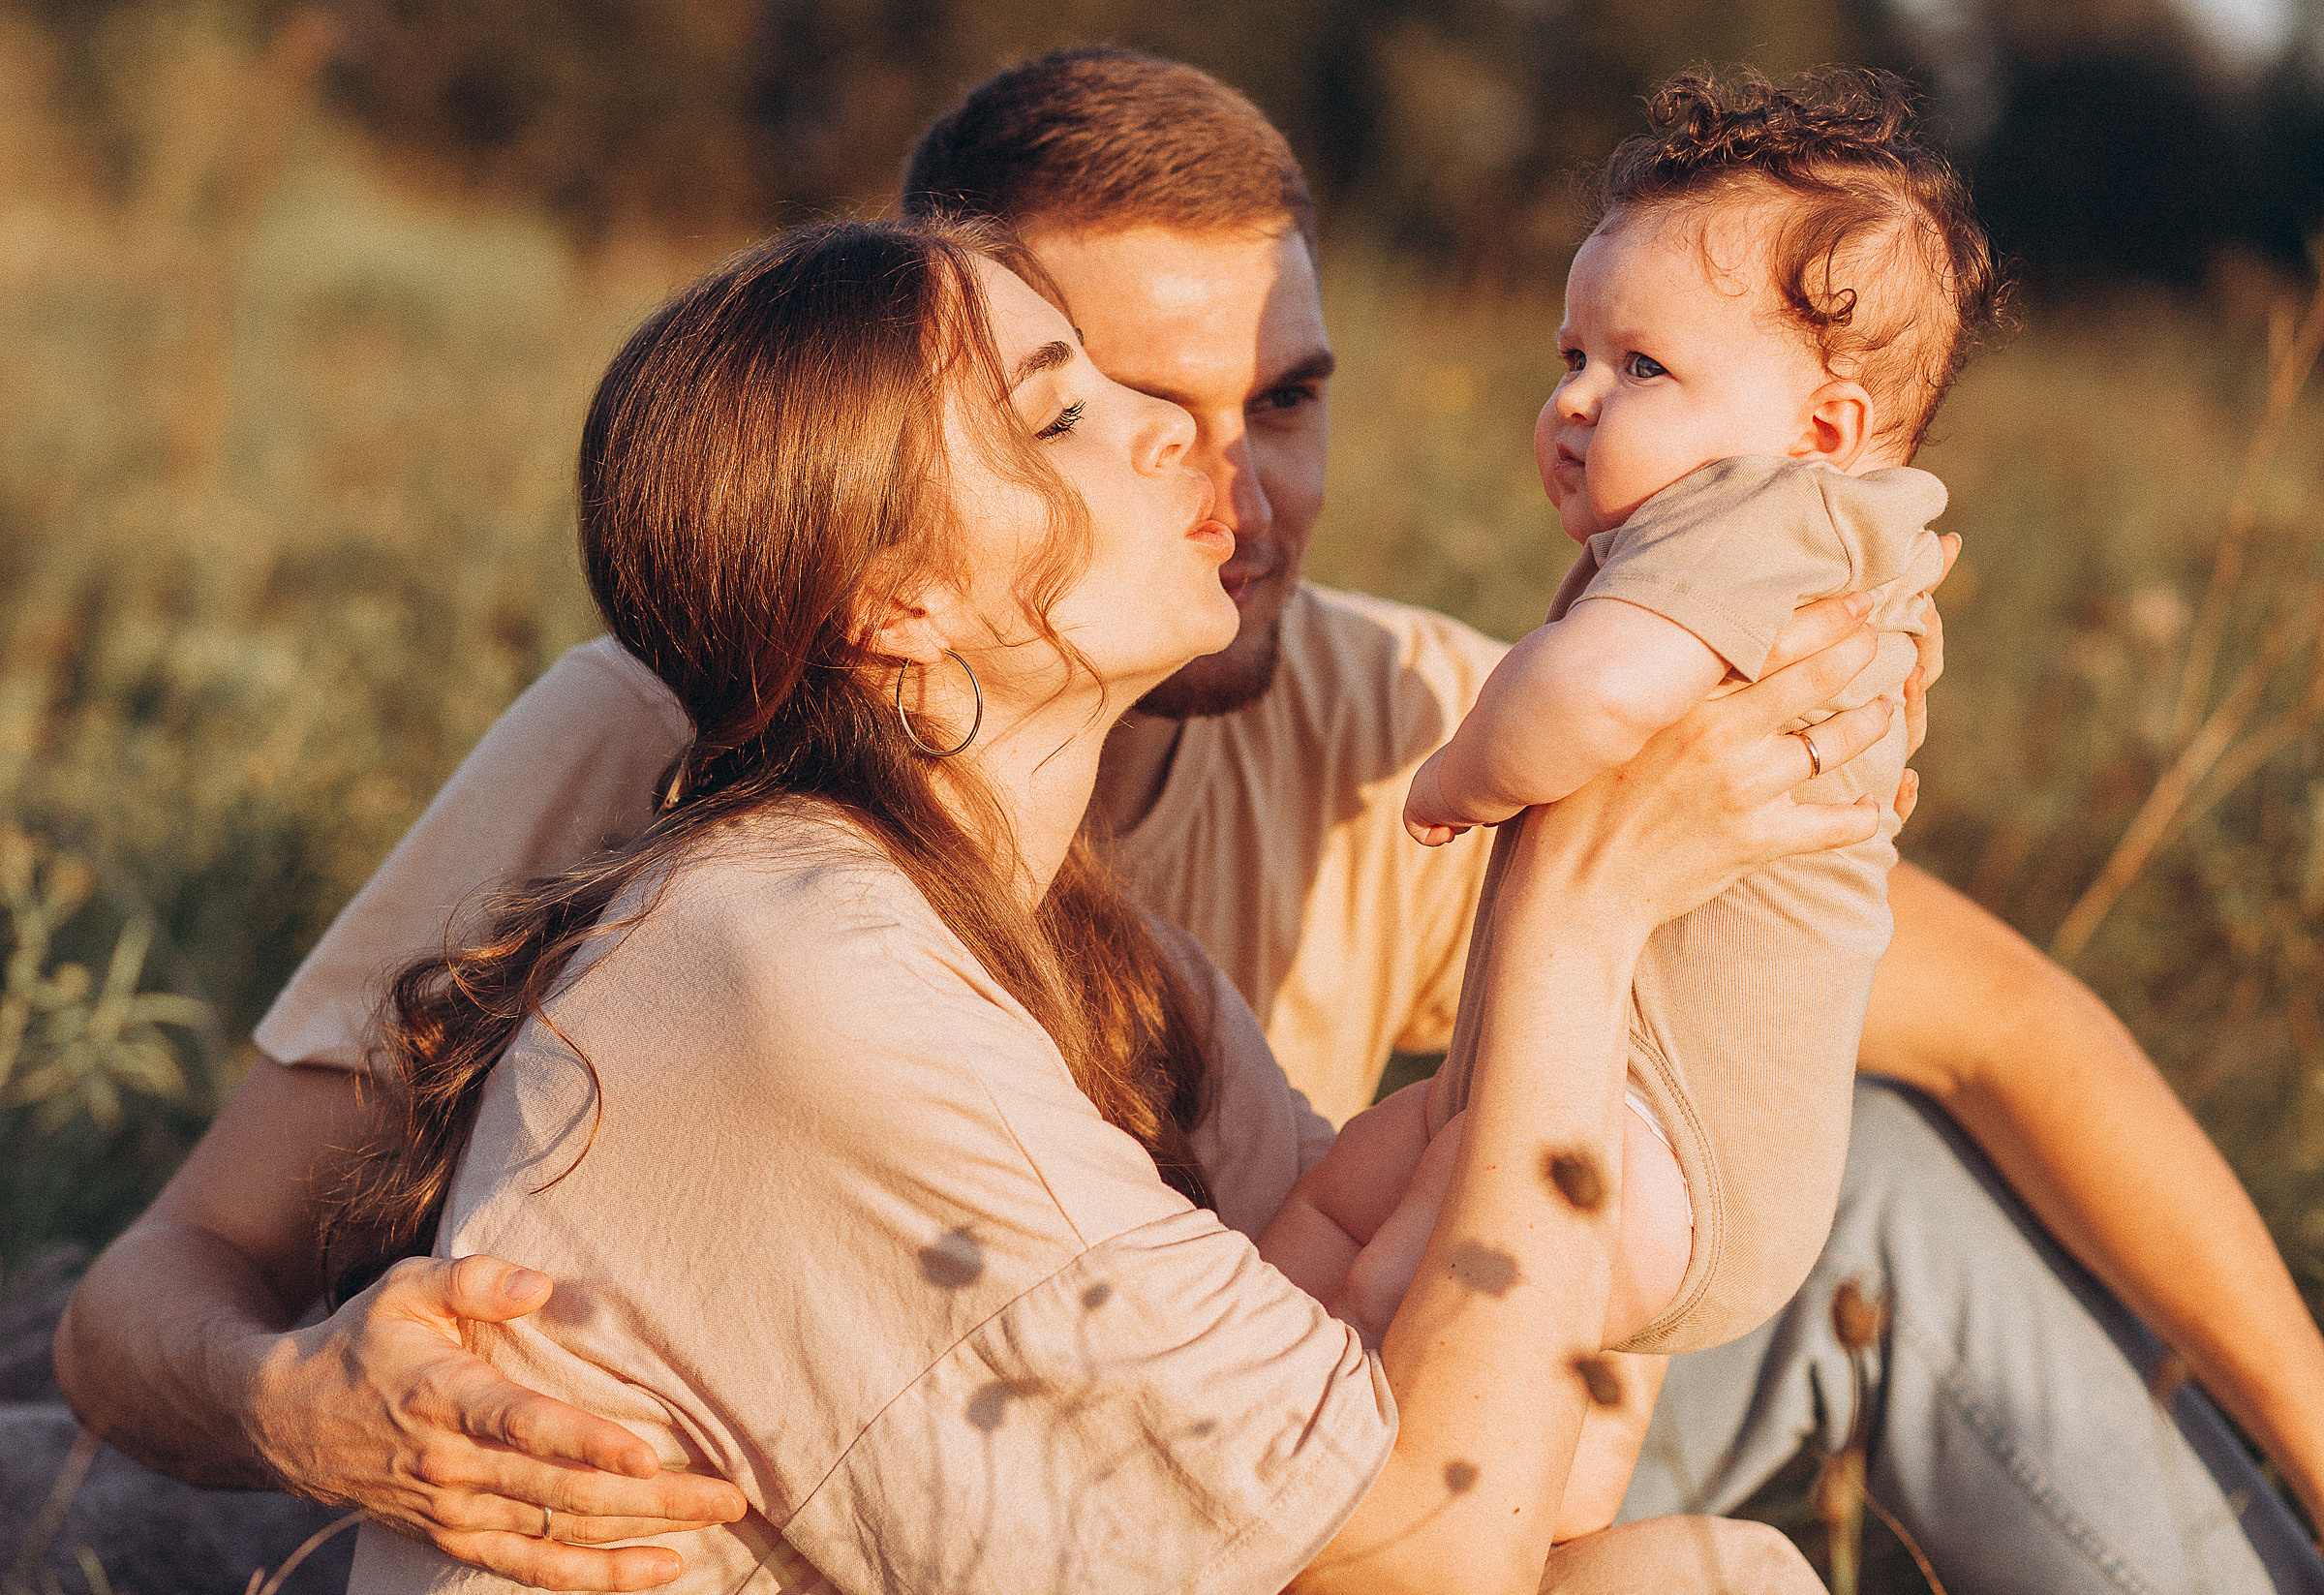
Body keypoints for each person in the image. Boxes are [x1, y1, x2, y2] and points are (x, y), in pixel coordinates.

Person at [54, 44, 2324, 1595]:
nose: (1232, 479)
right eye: (1103, 405)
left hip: (1175, 1405)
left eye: (1292, 397)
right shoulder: (711, 832)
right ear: (886, 569)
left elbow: (1971, 1039)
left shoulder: (1133, 887)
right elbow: (1422, 1533)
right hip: (942, 1424)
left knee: (1770, 1415)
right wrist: (1571, 905)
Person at [337, 213, 1882, 1593]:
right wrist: (1578, 899)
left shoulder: (1081, 955)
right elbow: (1439, 1553)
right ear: (895, 605)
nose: (1167, 431)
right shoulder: (803, 973)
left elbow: (1466, 1397)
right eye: (1061, 412)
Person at [1403, 68, 1988, 1357]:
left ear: (1824, 428)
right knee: (1353, 1188)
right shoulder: (1789, 530)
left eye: (1641, 365)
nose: (1573, 399)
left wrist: (1456, 774)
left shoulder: (1769, 510)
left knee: (1388, 1281)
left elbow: (1591, 693)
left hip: (1666, 1149)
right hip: (1615, 1105)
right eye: (1574, 355)